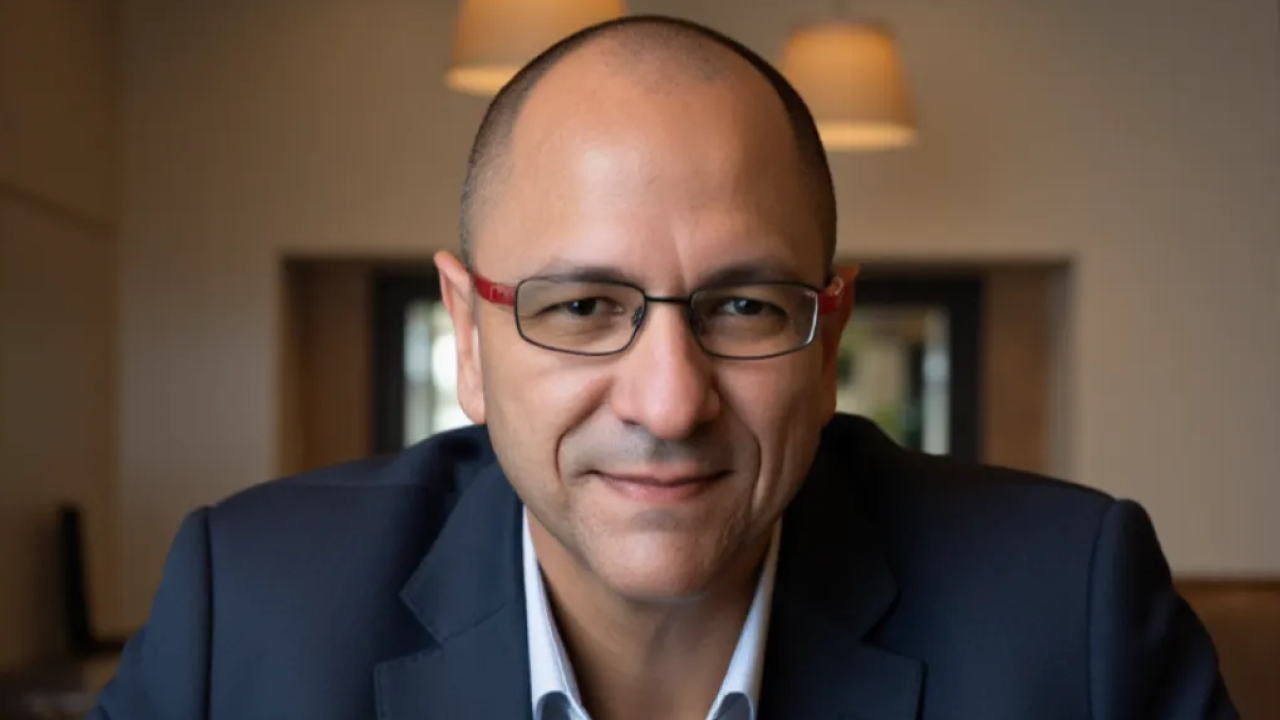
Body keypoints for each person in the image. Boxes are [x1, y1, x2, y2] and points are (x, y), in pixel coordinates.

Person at [89, 14, 1237, 720]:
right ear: (468, 336)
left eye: (743, 307)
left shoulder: (1069, 619)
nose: (669, 401)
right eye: (581, 306)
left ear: (828, 341)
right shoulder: (250, 615)